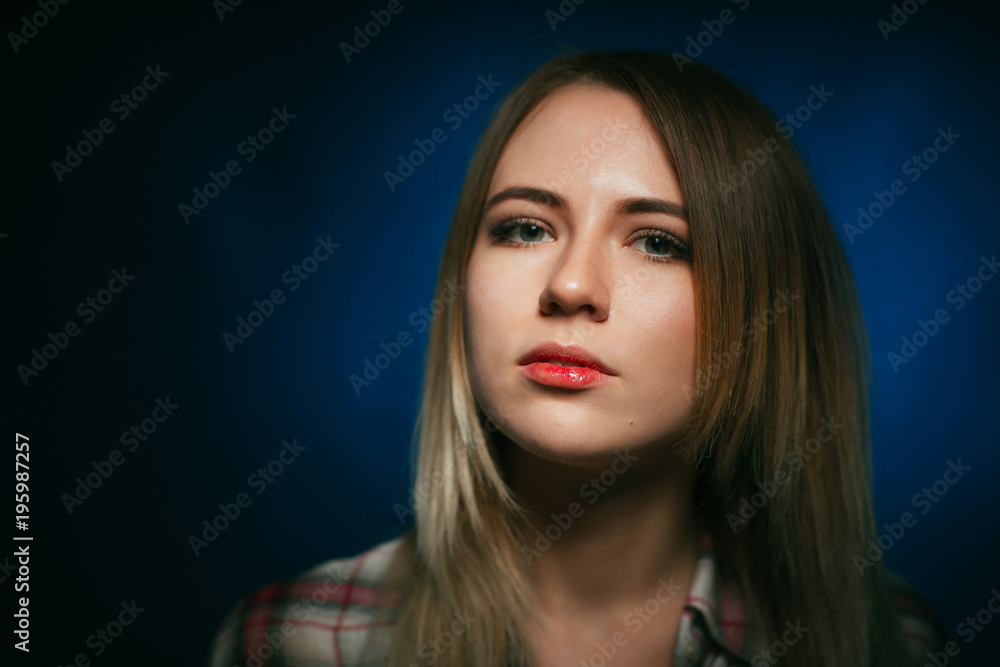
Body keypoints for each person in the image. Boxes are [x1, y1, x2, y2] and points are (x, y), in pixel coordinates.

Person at [207, 50, 949, 667]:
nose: (569, 286)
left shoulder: (897, 646)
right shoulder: (295, 643)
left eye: (658, 241)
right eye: (526, 228)